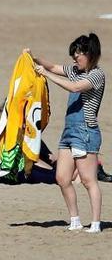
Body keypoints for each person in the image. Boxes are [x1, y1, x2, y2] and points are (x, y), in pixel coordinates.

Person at [28, 34, 105, 233]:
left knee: (89, 180)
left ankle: (95, 222)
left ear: (89, 54)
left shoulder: (96, 75)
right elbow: (54, 67)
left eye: (77, 55)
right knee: (62, 178)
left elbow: (75, 87)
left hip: (85, 131)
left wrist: (45, 74)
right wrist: (34, 58)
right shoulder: (75, 71)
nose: (74, 59)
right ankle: (75, 220)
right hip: (69, 133)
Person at [0, 106, 59, 185]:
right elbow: (28, 159)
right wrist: (51, 171)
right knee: (28, 172)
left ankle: (53, 165)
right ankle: (55, 173)